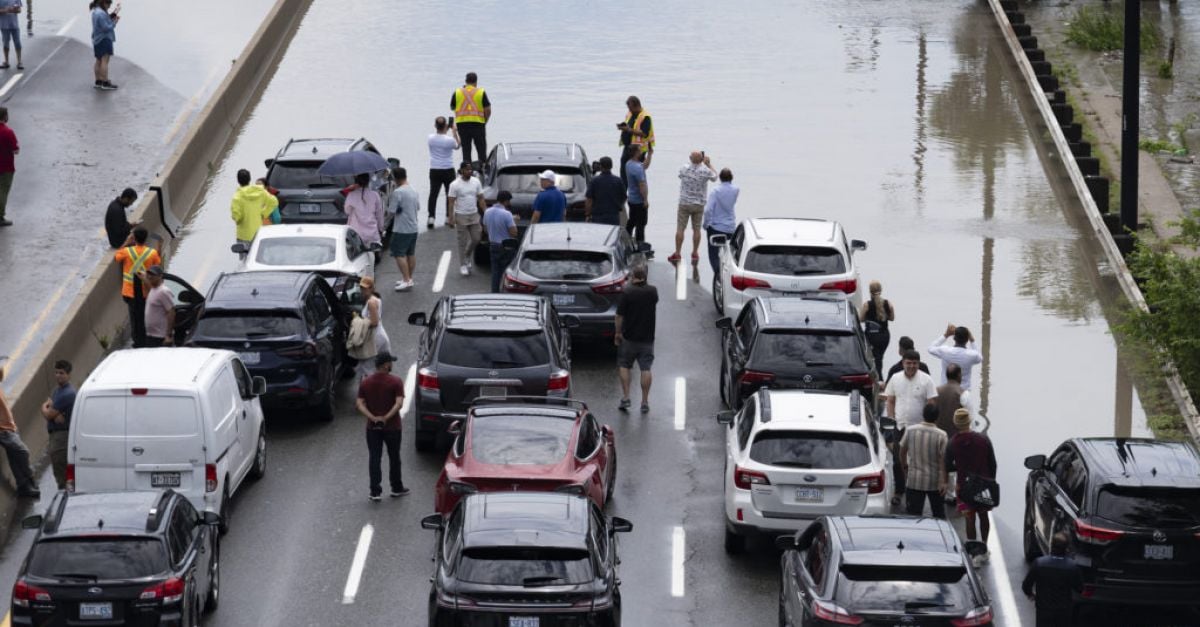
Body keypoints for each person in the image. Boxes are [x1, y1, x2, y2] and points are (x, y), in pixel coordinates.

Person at [356, 351, 410, 502]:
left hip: (372, 428)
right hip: (393, 427)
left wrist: (372, 417)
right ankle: (396, 487)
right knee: (394, 457)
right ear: (386, 365)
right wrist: (386, 417)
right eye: (390, 362)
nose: (391, 364)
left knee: (374, 458)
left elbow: (359, 403)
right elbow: (399, 403)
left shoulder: (366, 382)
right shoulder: (396, 382)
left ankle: (375, 491)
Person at [884, 349, 937, 498]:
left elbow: (931, 403)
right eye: (908, 363)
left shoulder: (926, 380)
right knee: (896, 460)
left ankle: (916, 490)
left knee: (918, 460)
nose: (911, 366)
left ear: (918, 364)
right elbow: (890, 400)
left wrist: (929, 424)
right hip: (900, 426)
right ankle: (899, 491)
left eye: (915, 363)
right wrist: (891, 417)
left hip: (919, 428)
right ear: (903, 363)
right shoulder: (895, 378)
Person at [945, 408, 997, 543]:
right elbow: (993, 463)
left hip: (963, 486)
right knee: (984, 516)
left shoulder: (952, 443)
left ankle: (973, 549)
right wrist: (991, 481)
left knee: (969, 517)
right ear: (969, 422)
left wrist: (960, 467)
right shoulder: (983, 439)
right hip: (984, 485)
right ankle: (984, 545)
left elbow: (947, 465)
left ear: (955, 424)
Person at [615, 266, 658, 413]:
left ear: (633, 276)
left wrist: (618, 333)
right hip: (647, 339)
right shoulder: (653, 291)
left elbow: (619, 316)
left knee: (625, 365)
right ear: (645, 276)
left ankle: (626, 397)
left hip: (629, 338)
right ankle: (645, 401)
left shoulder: (627, 292)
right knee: (646, 368)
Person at [1022, 532, 1082, 627]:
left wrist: (1031, 594)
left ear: (1051, 545)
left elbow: (1026, 586)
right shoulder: (1072, 567)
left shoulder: (1039, 563)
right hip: (1063, 612)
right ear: (1066, 549)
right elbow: (1079, 588)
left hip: (1043, 611)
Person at [115, 226, 161, 348]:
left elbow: (117, 257)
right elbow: (157, 264)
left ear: (134, 238)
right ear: (145, 238)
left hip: (130, 292)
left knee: (135, 319)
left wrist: (126, 242)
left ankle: (138, 343)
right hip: (146, 291)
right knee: (146, 316)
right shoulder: (152, 253)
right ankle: (147, 339)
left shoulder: (127, 252)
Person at [899, 404, 947, 519]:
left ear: (923, 415)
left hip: (914, 480)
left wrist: (905, 467)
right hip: (935, 482)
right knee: (939, 516)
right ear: (937, 417)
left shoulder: (910, 430)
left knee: (913, 517)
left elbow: (902, 452)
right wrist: (944, 481)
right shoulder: (942, 435)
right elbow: (943, 460)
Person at [670, 152, 717, 263]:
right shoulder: (705, 170)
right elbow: (715, 177)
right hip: (698, 204)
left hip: (684, 203)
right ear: (701, 160)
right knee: (696, 229)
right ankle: (695, 253)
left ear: (690, 159)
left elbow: (680, 174)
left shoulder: (685, 168)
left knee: (680, 229)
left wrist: (695, 161)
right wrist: (708, 164)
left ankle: (677, 253)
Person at [0, 365, 38, 498]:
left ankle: (24, 487)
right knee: (22, 452)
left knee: (14, 458)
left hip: (9, 425)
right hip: (3, 430)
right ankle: (30, 477)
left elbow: (1, 372)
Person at [41, 359, 75, 490]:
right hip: (56, 435)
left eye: (62, 373)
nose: (58, 376)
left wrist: (43, 407)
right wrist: (52, 411)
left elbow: (48, 413)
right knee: (58, 468)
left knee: (61, 470)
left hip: (61, 438)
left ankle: (65, 498)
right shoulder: (58, 391)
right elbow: (52, 410)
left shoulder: (67, 393)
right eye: (56, 373)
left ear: (68, 374)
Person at [447, 161, 484, 276]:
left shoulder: (476, 182)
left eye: (471, 170)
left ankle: (467, 255)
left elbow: (481, 198)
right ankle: (463, 264)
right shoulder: (455, 184)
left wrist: (486, 213)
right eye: (467, 170)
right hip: (461, 215)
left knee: (477, 238)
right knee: (462, 241)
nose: (470, 171)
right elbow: (451, 202)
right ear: (461, 170)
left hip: (473, 214)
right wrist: (451, 218)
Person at [386, 167, 420, 291]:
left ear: (396, 178)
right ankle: (409, 278)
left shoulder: (398, 192)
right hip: (413, 227)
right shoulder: (414, 190)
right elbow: (418, 207)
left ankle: (406, 279)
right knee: (410, 253)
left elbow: (391, 211)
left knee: (399, 254)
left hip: (401, 228)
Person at [230, 168, 278, 251]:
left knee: (245, 260)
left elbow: (237, 217)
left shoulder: (237, 197)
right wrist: (263, 214)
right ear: (250, 179)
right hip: (259, 233)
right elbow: (274, 201)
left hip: (243, 235)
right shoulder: (260, 191)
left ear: (238, 181)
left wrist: (237, 219)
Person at [702, 168, 739, 274]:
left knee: (713, 254)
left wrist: (705, 225)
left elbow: (708, 210)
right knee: (730, 254)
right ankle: (728, 274)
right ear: (731, 177)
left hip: (716, 228)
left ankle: (718, 276)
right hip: (730, 228)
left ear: (720, 178)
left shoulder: (715, 191)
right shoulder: (736, 190)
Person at [426, 116, 460, 229]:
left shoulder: (430, 138)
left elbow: (440, 135)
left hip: (434, 169)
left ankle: (431, 217)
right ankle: (447, 216)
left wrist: (445, 129)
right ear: (446, 125)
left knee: (433, 194)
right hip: (448, 169)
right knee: (449, 194)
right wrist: (454, 132)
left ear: (435, 126)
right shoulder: (450, 140)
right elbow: (458, 145)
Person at [355, 277, 390, 381]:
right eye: (361, 288)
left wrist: (360, 322)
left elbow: (374, 322)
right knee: (379, 366)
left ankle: (368, 392)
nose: (362, 291)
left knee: (367, 367)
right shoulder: (377, 299)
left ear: (371, 288)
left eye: (365, 288)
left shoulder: (371, 302)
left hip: (375, 338)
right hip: (380, 336)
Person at [451, 72, 491, 164]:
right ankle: (483, 169)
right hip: (478, 124)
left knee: (466, 151)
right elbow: (488, 109)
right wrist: (485, 121)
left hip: (462, 125)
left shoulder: (457, 92)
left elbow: (452, 107)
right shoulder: (481, 92)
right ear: (476, 82)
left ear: (465, 81)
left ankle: (467, 171)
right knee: (481, 150)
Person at [929, 324, 983, 390]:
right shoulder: (971, 355)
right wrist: (972, 339)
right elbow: (980, 357)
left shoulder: (945, 351)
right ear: (967, 340)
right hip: (963, 392)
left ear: (954, 338)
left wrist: (946, 335)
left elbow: (930, 348)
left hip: (945, 391)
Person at [483, 191, 518, 293]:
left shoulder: (487, 212)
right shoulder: (507, 214)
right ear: (506, 201)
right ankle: (505, 292)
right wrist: (514, 222)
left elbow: (485, 229)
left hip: (493, 245)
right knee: (506, 271)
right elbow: (513, 233)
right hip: (505, 246)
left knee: (495, 272)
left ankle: (494, 292)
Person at [859, 280, 894, 377]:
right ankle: (879, 377)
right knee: (880, 358)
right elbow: (892, 318)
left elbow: (861, 319)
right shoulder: (888, 303)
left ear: (870, 291)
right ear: (881, 290)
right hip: (884, 336)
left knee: (875, 358)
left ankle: (879, 379)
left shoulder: (867, 305)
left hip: (872, 336)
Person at [618, 95, 654, 181]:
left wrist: (629, 130)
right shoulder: (630, 114)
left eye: (630, 108)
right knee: (624, 170)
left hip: (638, 149)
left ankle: (636, 190)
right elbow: (630, 124)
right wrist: (623, 127)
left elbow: (644, 133)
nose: (629, 110)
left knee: (636, 171)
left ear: (636, 105)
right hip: (628, 147)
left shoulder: (645, 117)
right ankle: (624, 190)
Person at [344, 172, 384, 247]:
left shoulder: (351, 194)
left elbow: (347, 211)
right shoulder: (375, 195)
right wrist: (381, 229)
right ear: (368, 181)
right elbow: (379, 215)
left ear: (356, 181)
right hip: (372, 234)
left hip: (356, 233)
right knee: (372, 256)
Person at [584, 156, 626, 226]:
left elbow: (589, 200)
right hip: (613, 216)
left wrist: (588, 214)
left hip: (598, 216)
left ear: (600, 166)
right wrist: (618, 206)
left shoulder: (594, 180)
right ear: (611, 166)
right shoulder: (618, 180)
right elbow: (624, 197)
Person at [143, 265, 175, 347]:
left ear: (160, 276)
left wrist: (168, 335)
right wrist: (144, 278)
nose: (149, 276)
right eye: (148, 274)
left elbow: (171, 312)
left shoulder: (164, 291)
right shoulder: (154, 289)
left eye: (152, 274)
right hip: (151, 335)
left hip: (160, 337)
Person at [90, 0, 119, 90]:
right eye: (109, 4)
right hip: (104, 39)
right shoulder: (101, 13)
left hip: (97, 39)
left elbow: (102, 23)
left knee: (98, 60)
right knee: (105, 61)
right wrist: (115, 22)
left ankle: (98, 81)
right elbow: (106, 28)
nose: (110, 6)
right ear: (104, 3)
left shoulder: (95, 11)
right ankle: (105, 82)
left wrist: (111, 16)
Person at [934, 364, 965, 436]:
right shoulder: (962, 393)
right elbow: (968, 417)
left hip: (938, 434)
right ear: (959, 375)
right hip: (955, 436)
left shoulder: (936, 391)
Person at [624, 151, 648, 243]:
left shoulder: (629, 164)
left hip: (631, 198)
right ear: (636, 153)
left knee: (632, 220)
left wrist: (649, 155)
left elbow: (644, 166)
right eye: (639, 150)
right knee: (641, 224)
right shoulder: (638, 168)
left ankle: (626, 237)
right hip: (639, 200)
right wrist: (645, 200)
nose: (642, 152)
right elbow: (642, 185)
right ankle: (640, 243)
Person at [0, 106, 17, 227]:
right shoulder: (8, 132)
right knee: (2, 191)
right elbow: (16, 150)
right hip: (5, 167)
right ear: (5, 117)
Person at [0, 0, 22, 71]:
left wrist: (14, 10)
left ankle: (19, 62)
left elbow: (19, 10)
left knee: (18, 43)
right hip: (4, 25)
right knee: (5, 43)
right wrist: (5, 10)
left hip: (14, 25)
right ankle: (6, 61)